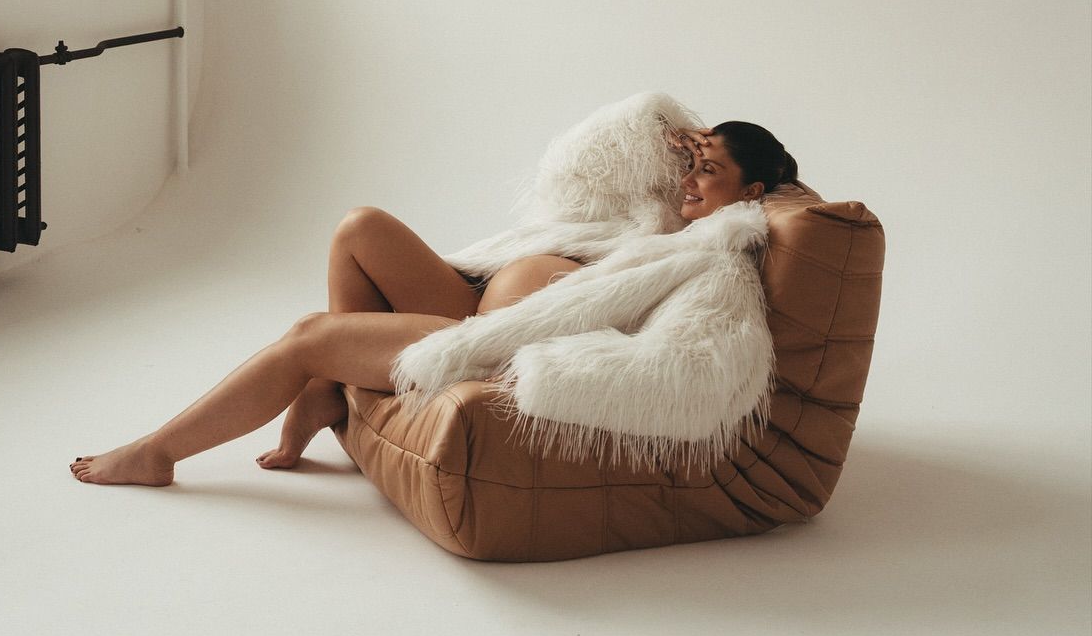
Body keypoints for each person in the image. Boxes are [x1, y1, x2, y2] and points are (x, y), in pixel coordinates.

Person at [68, 120, 798, 488]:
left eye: (709, 171)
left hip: (487, 341)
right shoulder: (663, 216)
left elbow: (686, 355)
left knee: (309, 333)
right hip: (471, 302)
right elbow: (596, 158)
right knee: (360, 227)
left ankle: (158, 452)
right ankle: (332, 387)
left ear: (754, 193)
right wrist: (668, 138)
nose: (689, 179)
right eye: (690, 162)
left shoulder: (721, 251)